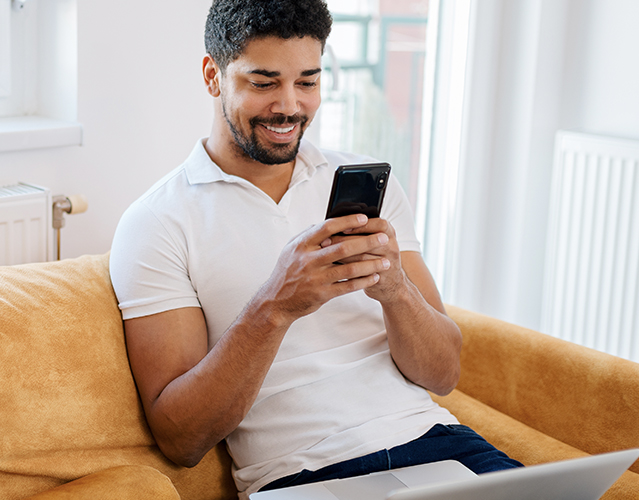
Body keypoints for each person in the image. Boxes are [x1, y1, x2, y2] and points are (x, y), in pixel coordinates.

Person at [108, 0, 523, 497]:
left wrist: (395, 289)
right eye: (263, 83)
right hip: (303, 475)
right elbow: (181, 438)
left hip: (440, 443)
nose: (289, 106)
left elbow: (443, 374)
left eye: (307, 82)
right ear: (212, 76)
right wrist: (276, 305)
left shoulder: (371, 186)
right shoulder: (156, 222)